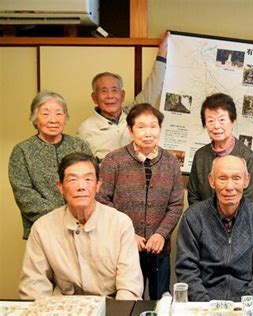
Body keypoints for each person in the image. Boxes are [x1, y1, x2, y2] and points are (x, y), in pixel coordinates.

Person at [19, 153, 143, 300]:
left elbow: (129, 287)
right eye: (72, 180)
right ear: (60, 187)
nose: (81, 187)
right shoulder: (42, 227)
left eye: (88, 179)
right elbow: (34, 286)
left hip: (110, 307)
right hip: (62, 309)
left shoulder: (120, 223)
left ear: (98, 186)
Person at [97, 103, 184, 300]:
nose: (148, 132)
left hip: (159, 248)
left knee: (160, 302)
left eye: (153, 126)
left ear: (160, 129)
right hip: (123, 247)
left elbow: (176, 204)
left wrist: (161, 234)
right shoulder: (114, 160)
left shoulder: (171, 162)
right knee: (126, 302)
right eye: (141, 126)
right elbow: (102, 200)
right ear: (130, 130)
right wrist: (129, 234)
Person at [176, 155, 253, 302]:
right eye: (222, 178)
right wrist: (207, 306)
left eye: (236, 178)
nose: (229, 187)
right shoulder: (194, 217)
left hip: (246, 302)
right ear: (212, 180)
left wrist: (246, 303)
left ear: (246, 181)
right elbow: (186, 268)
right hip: (205, 303)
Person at [9, 91, 92, 239]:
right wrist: (62, 217)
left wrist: (82, 216)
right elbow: (24, 194)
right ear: (35, 119)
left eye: (59, 114)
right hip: (43, 228)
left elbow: (92, 182)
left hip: (83, 226)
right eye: (46, 114)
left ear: (66, 118)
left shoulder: (79, 145)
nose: (53, 120)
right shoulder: (22, 151)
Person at [77, 33, 169, 162]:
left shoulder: (133, 114)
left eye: (114, 90)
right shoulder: (86, 129)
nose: (110, 96)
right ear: (94, 97)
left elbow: (153, 88)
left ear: (122, 95)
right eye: (104, 91)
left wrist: (162, 51)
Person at [187, 93, 253, 205]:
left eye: (222, 120)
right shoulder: (200, 156)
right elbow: (193, 196)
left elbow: (250, 200)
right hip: (202, 220)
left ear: (232, 121)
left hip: (238, 222)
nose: (216, 126)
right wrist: (203, 220)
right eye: (210, 121)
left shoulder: (248, 156)